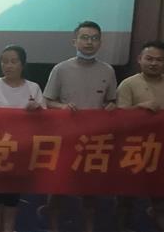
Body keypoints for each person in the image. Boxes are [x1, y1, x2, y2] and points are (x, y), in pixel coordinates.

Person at [41, 20, 117, 232]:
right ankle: (53, 226)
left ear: (100, 43)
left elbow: (112, 100)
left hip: (94, 140)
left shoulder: (107, 70)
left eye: (94, 38)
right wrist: (62, 107)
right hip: (66, 138)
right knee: (58, 187)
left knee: (90, 191)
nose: (89, 42)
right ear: (74, 41)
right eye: (84, 38)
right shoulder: (61, 69)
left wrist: (112, 106)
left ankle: (89, 228)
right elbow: (47, 101)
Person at [0, 45, 44, 232]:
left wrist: (37, 110)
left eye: (13, 61)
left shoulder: (33, 88)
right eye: (4, 61)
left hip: (21, 152)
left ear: (22, 64)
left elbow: (45, 122)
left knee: (12, 199)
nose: (8, 65)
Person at [115, 40, 164, 232]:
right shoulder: (128, 84)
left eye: (159, 60)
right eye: (149, 58)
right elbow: (118, 117)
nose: (154, 63)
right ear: (140, 59)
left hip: (162, 148)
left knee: (162, 200)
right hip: (133, 149)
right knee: (125, 200)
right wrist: (139, 108)